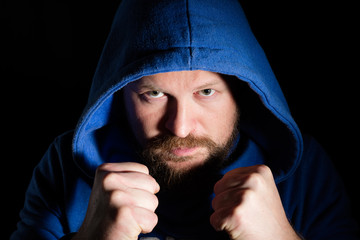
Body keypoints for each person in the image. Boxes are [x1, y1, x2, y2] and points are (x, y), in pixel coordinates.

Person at [11, 0, 359, 239]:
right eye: (154, 94)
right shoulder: (64, 166)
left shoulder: (305, 171)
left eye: (206, 92)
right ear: (119, 96)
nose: (179, 127)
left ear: (243, 93)